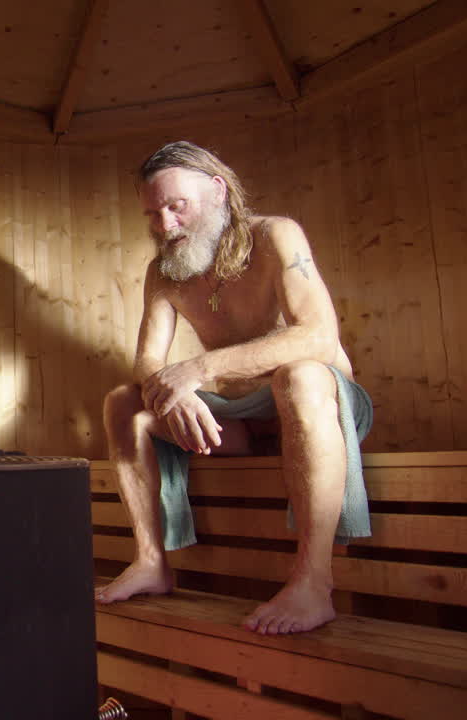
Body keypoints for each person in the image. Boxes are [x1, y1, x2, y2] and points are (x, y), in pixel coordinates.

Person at [95, 141, 373, 635]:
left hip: (322, 402)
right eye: (153, 213)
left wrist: (198, 370)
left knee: (301, 374)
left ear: (218, 191)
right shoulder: (164, 271)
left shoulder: (275, 236)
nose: (165, 225)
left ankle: (314, 583)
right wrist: (171, 390)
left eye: (176, 206)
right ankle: (150, 562)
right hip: (243, 416)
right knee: (123, 403)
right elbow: (147, 361)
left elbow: (318, 335)